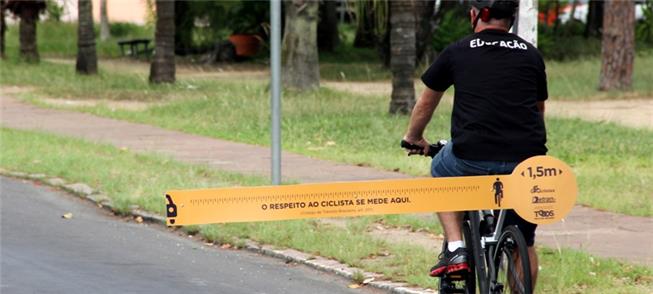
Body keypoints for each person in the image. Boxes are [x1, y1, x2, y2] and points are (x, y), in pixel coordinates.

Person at [401, 0, 547, 289]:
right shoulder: (531, 55)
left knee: (441, 169)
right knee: (525, 241)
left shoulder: (458, 51)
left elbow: (426, 103)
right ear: (511, 19)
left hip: (473, 156)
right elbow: (538, 110)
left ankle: (456, 248)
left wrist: (414, 138)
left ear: (478, 14)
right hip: (527, 162)